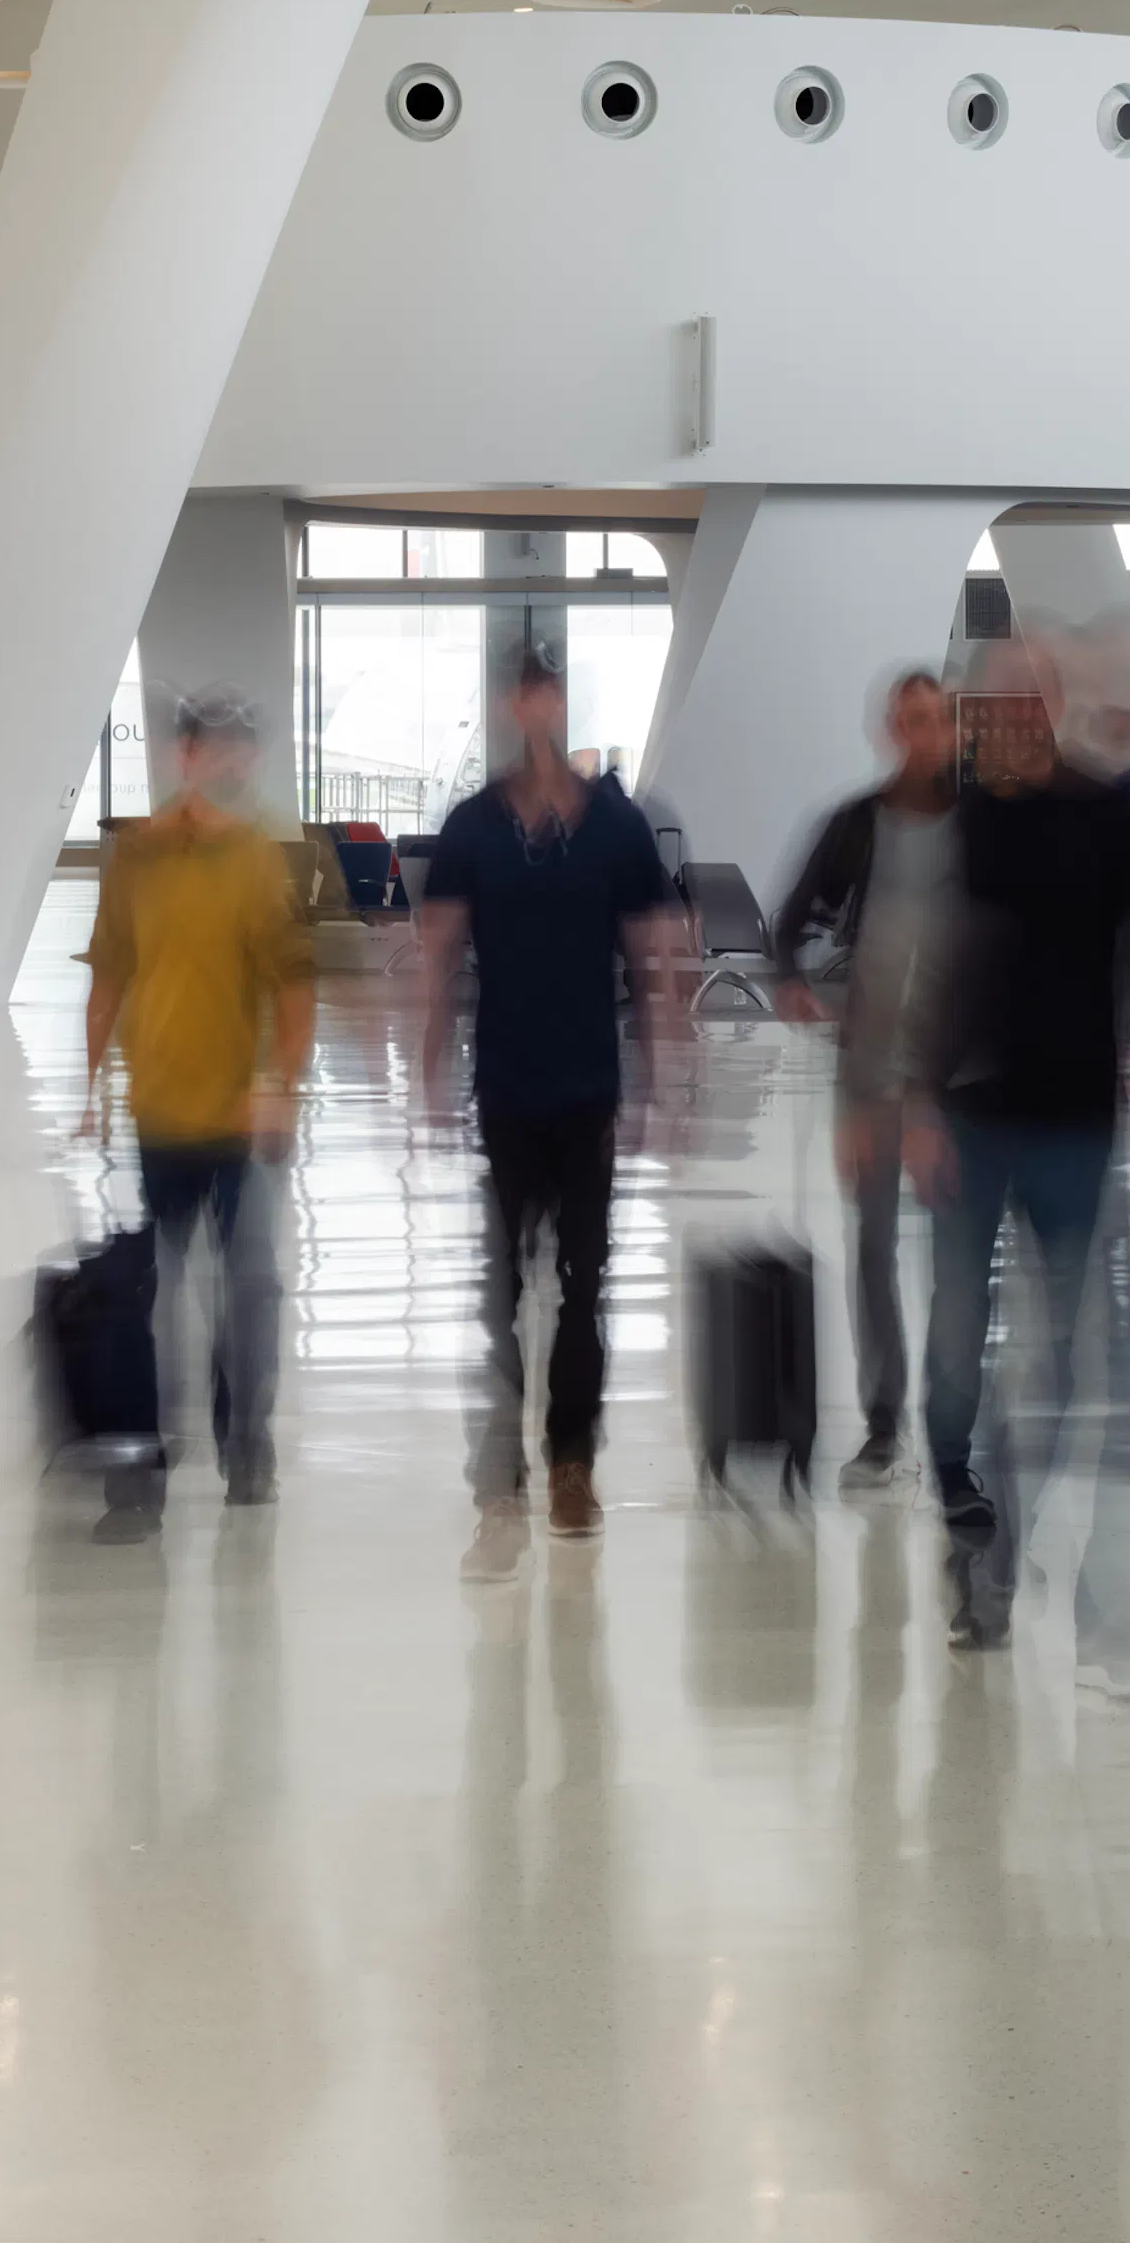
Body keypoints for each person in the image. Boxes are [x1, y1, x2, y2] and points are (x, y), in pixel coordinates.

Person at [915, 638, 1130, 1698]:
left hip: (1075, 1118)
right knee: (957, 1346)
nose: (1009, 720)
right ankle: (974, 1535)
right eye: (992, 705)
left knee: (1065, 1359)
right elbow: (926, 965)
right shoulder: (960, 823)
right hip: (972, 1119)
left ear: (1052, 704)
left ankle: (1015, 1571)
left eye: (1026, 701)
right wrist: (911, 1097)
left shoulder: (1103, 813)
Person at [419, 649, 690, 1571]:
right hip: (505, 1089)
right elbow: (440, 956)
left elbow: (653, 962)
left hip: (586, 1095)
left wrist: (665, 1079)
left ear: (560, 702)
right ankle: (499, 1481)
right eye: (520, 694)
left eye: (547, 693)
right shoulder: (471, 827)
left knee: (582, 1288)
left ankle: (571, 1463)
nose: (534, 707)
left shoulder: (615, 826)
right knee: (500, 1295)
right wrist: (424, 1078)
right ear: (507, 706)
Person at [80, 688, 316, 1523]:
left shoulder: (259, 859)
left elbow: (294, 986)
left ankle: (245, 1445)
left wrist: (278, 1085)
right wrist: (91, 1081)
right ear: (183, 755)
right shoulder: (135, 857)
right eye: (218, 746)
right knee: (159, 1292)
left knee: (248, 1288)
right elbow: (110, 968)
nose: (233, 761)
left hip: (242, 1120)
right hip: (159, 1110)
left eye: (243, 747)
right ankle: (148, 1451)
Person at [773, 665, 962, 1487]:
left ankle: (955, 1422)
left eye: (935, 719)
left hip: (959, 1079)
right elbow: (792, 921)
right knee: (874, 1247)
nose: (923, 734)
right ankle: (885, 1424)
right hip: (870, 1077)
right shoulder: (856, 824)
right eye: (909, 720)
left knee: (960, 1255)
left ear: (950, 728)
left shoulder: (981, 827)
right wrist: (800, 986)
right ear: (891, 730)